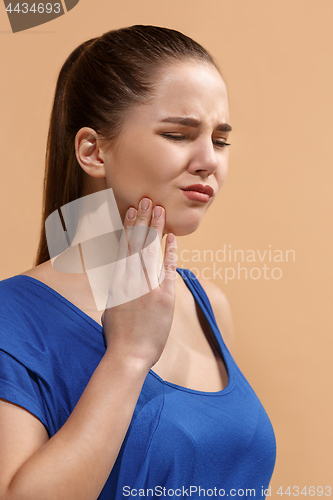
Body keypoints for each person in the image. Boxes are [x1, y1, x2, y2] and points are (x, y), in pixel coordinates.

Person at [0, 25, 276, 500]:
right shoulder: (13, 319)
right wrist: (128, 356)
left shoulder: (209, 304)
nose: (209, 160)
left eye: (221, 140)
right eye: (177, 134)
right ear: (92, 150)